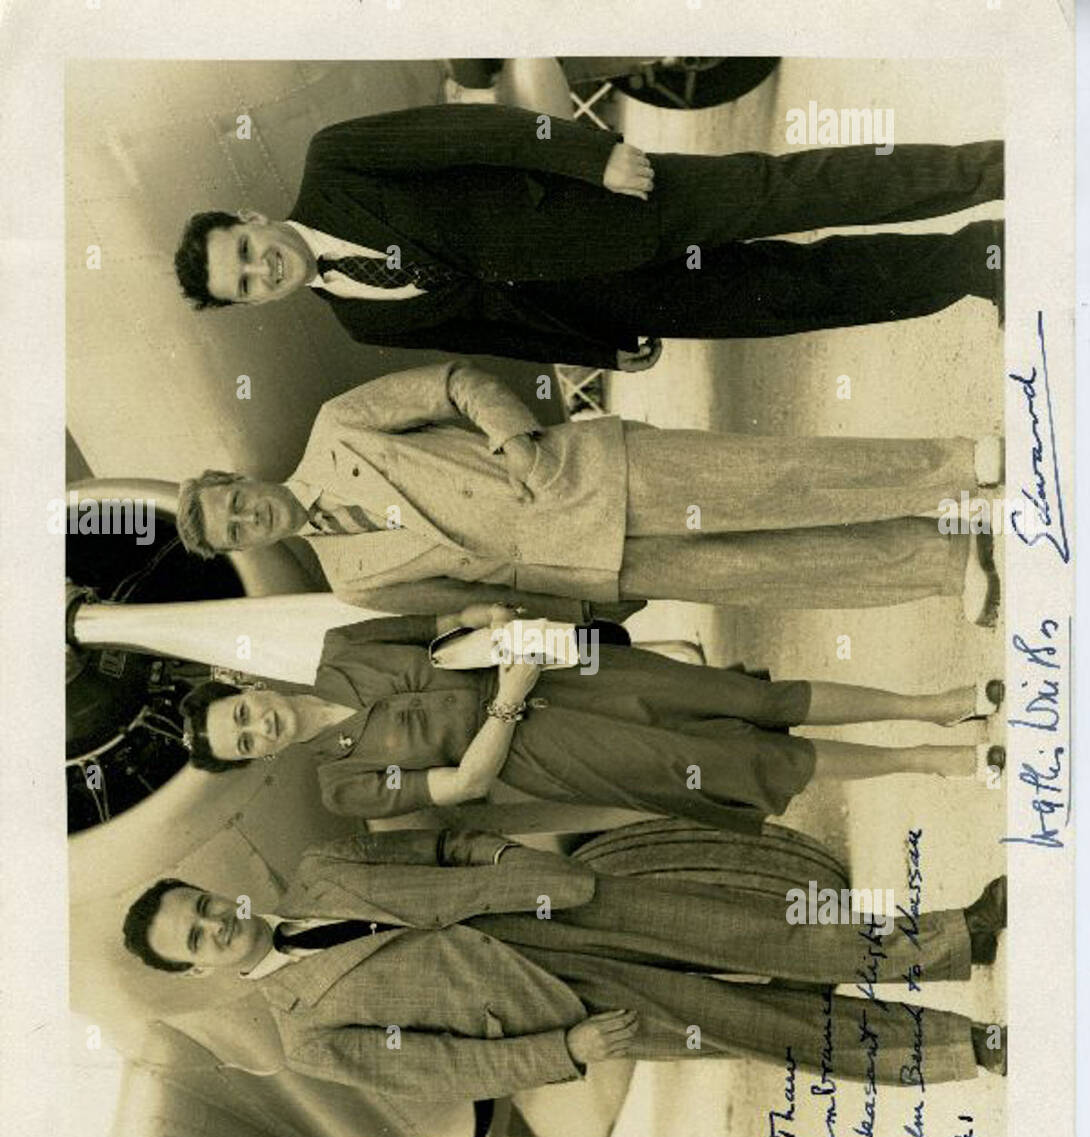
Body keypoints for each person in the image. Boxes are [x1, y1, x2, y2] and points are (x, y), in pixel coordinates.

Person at [120, 828, 1009, 1097]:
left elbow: (444, 848)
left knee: (763, 930)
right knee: (766, 1025)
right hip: (562, 1006)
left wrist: (507, 863)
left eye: (201, 906)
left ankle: (956, 936)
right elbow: (443, 1070)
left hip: (561, 905)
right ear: (200, 973)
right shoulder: (305, 1036)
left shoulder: (316, 866)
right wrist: (568, 1053)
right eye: (195, 940)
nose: (215, 925)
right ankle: (964, 1050)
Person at [174, 359, 1002, 623]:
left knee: (778, 477)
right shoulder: (351, 584)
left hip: (585, 475)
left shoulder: (338, 427)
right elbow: (462, 604)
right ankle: (939, 563)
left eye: (236, 500)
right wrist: (560, 611)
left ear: (241, 480)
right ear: (248, 547)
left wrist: (514, 440)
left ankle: (956, 467)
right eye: (238, 530)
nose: (251, 515)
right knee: (766, 569)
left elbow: (456, 382)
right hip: (578, 567)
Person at [173, 106, 1004, 369]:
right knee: (803, 294)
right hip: (624, 298)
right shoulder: (362, 319)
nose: (262, 269)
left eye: (244, 252)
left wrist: (590, 154)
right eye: (244, 285)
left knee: (795, 190)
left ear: (250, 222)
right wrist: (602, 355)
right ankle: (980, 259)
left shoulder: (337, 162)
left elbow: (471, 132)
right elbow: (499, 334)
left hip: (614, 203)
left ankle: (991, 169)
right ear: (253, 305)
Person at [177, 612, 1006, 827]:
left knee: (749, 698)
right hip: (545, 747)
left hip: (571, 670)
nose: (260, 728)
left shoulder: (338, 649)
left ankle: (935, 706)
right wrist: (509, 693)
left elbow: (450, 618)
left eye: (242, 714)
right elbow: (465, 784)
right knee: (741, 763)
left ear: (245, 685)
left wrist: (506, 632)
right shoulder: (341, 785)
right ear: (254, 759)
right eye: (245, 744)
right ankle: (931, 764)